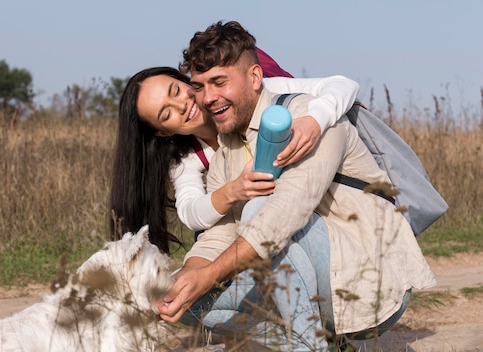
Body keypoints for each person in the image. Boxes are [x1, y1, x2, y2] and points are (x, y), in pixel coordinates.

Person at [155, 20, 437, 351]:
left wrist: (212, 273)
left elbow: (281, 217)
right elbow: (219, 232)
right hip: (308, 283)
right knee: (175, 301)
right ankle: (306, 341)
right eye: (199, 86)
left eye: (219, 82)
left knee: (262, 213)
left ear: (255, 78)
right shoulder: (224, 152)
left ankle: (307, 342)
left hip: (370, 283)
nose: (208, 98)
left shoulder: (308, 120)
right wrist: (190, 275)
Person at [110, 59, 360, 254]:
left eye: (176, 91)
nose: (182, 105)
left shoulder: (258, 93)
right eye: (166, 114)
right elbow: (190, 212)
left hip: (319, 206)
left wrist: (315, 120)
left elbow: (343, 84)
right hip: (261, 226)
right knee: (213, 230)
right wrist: (233, 191)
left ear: (187, 81)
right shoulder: (188, 157)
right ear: (163, 132)